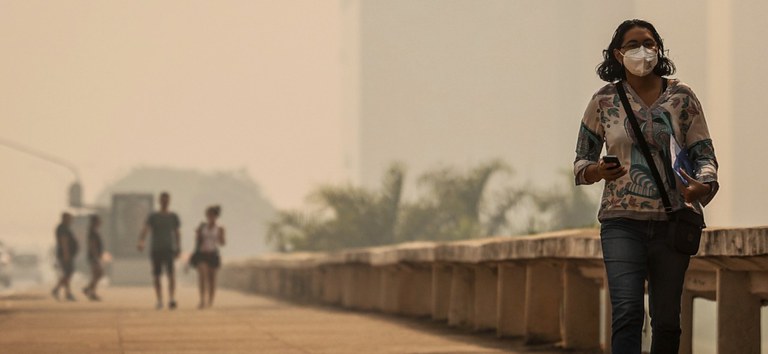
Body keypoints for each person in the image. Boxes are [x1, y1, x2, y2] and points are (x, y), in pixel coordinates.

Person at [573, 19, 719, 354]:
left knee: (667, 321)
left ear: (659, 48)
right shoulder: (604, 101)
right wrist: (598, 170)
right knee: (627, 312)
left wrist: (702, 186)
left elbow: (705, 155)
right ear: (617, 53)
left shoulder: (682, 98)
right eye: (634, 44)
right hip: (621, 222)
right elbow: (581, 163)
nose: (644, 51)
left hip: (673, 223)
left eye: (650, 43)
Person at [138, 192, 181, 310]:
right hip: (156, 248)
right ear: (159, 201)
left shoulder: (173, 217)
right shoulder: (153, 216)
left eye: (166, 200)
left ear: (169, 201)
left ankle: (171, 298)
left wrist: (178, 247)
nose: (164, 202)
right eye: (163, 200)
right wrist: (141, 241)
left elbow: (177, 233)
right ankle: (159, 299)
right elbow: (145, 229)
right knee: (157, 276)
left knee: (171, 274)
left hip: (169, 249)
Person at [191, 205, 226, 309]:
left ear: (216, 216)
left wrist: (221, 236)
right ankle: (202, 299)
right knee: (202, 276)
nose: (210, 217)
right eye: (209, 215)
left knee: (212, 279)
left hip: (213, 254)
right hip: (202, 254)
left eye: (212, 215)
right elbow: (197, 241)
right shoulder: (202, 227)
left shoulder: (220, 228)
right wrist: (198, 234)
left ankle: (210, 300)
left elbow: (222, 243)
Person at [52, 212, 78, 301]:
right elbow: (64, 241)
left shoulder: (64, 228)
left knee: (67, 274)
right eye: (69, 218)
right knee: (68, 273)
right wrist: (66, 253)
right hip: (65, 255)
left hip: (66, 254)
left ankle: (67, 292)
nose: (71, 220)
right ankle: (57, 289)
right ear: (65, 218)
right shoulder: (62, 228)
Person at [83, 214, 104, 301]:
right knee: (98, 273)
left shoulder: (94, 231)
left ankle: (89, 289)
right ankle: (91, 292)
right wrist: (95, 257)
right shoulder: (92, 232)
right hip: (93, 256)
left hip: (95, 256)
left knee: (97, 274)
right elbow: (92, 245)